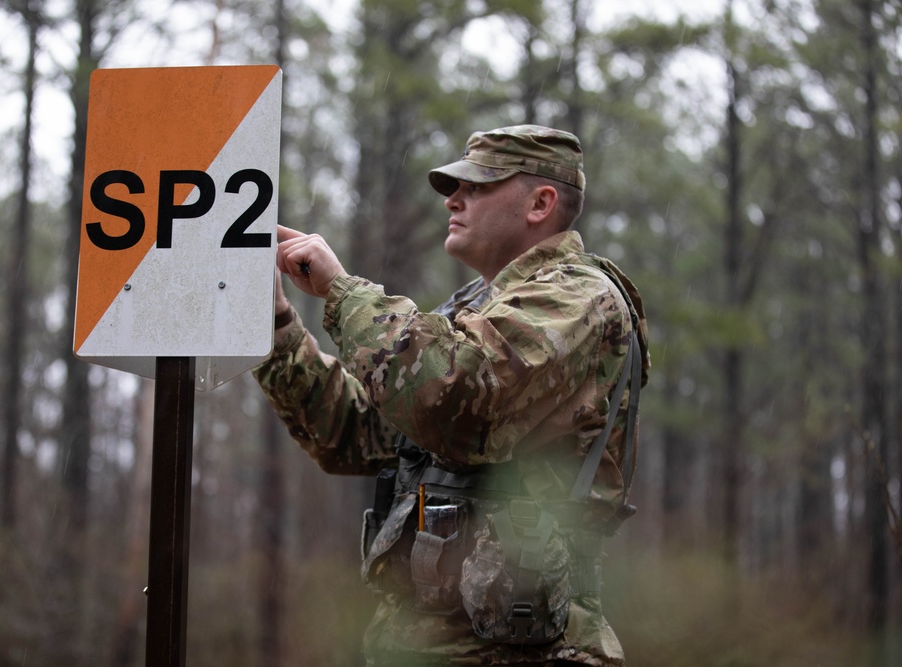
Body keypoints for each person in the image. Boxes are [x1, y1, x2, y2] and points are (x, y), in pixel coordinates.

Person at [253, 125, 649, 666]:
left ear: (541, 202)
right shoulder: (474, 308)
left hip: (529, 651)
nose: (453, 199)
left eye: (480, 186)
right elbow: (356, 435)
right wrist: (275, 326)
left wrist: (342, 293)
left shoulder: (577, 297)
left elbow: (460, 395)